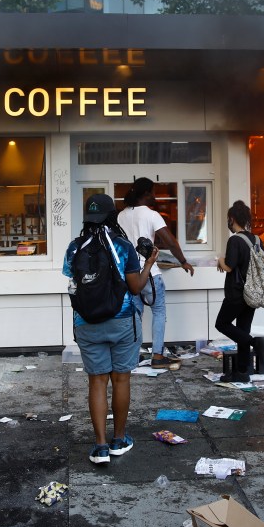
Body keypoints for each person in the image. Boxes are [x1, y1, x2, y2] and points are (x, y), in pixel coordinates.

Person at [64, 193, 158, 465]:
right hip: (122, 322)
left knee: (96, 382)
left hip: (87, 324)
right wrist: (149, 262)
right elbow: (136, 288)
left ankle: (100, 447)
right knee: (121, 379)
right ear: (111, 216)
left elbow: (73, 284)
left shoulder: (74, 247)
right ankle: (119, 440)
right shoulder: (123, 246)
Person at [118, 177, 195, 369]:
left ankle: (133, 356)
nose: (155, 196)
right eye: (153, 192)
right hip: (151, 273)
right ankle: (158, 356)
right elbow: (169, 241)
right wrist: (183, 261)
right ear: (146, 194)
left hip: (130, 275)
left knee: (135, 316)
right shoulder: (151, 215)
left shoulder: (121, 216)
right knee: (159, 313)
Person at [214, 200, 261, 383]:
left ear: (232, 218)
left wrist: (220, 260)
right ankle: (242, 372)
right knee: (243, 328)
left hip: (236, 293)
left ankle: (254, 343)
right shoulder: (257, 240)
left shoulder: (235, 240)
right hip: (253, 291)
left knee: (222, 323)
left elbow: (229, 267)